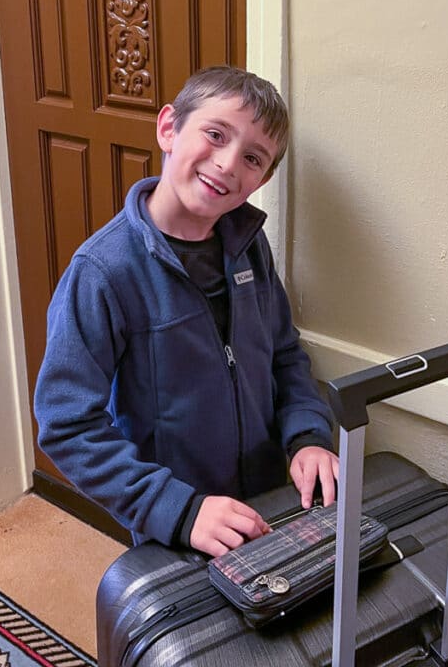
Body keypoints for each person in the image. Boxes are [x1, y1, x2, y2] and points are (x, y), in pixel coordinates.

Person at [34, 65, 338, 556]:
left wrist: (307, 435)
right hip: (176, 524)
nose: (227, 163)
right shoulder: (103, 271)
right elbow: (67, 423)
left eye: (253, 158)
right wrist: (177, 509)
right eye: (215, 134)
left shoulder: (249, 246)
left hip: (266, 502)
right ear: (169, 127)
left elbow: (284, 352)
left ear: (262, 179)